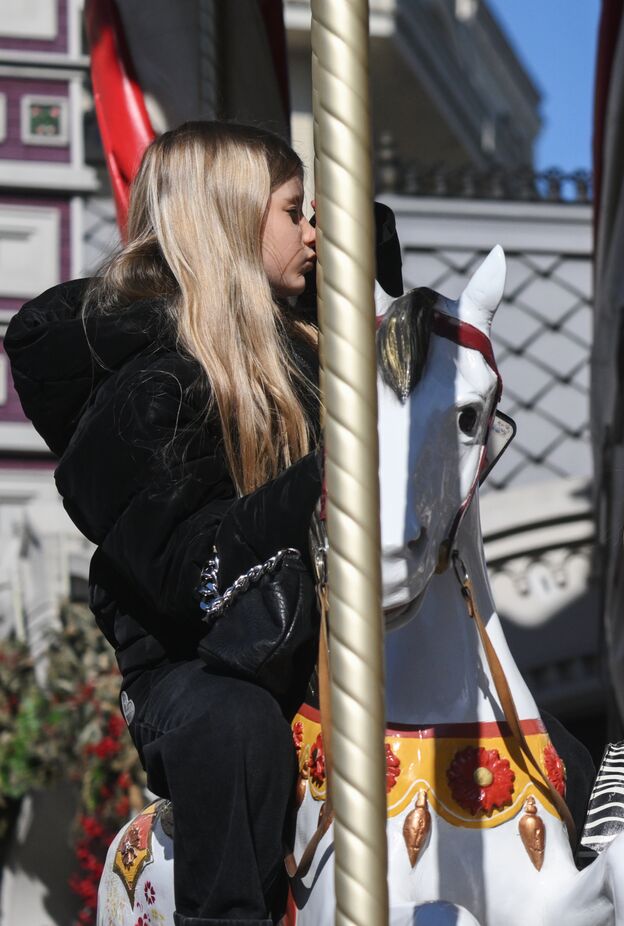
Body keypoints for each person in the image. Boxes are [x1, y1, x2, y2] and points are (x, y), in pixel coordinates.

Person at [7, 121, 337, 926]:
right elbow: (192, 570)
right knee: (236, 731)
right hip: (200, 668)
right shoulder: (150, 390)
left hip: (319, 642)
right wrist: (327, 482)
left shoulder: (300, 346)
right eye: (295, 211)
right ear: (230, 218)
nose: (313, 231)